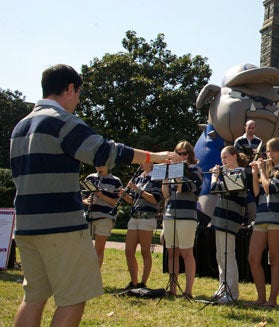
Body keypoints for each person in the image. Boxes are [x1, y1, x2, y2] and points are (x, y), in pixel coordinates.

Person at [9, 64, 174, 327]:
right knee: (73, 298)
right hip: (60, 226)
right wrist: (153, 156)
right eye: (78, 94)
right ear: (70, 88)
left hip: (27, 226)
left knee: (33, 297)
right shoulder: (62, 121)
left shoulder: (20, 126)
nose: (77, 101)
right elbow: (105, 152)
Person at [248, 138, 279, 307]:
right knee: (253, 257)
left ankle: (272, 299)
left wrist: (262, 171)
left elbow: (269, 188)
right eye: (267, 151)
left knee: (274, 258)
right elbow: (258, 192)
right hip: (262, 216)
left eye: (272, 151)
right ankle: (261, 297)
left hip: (278, 217)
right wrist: (254, 174)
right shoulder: (268, 169)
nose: (269, 154)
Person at [162, 140, 202, 299]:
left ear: (190, 154)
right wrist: (165, 176)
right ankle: (172, 288)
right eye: (178, 153)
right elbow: (166, 195)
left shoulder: (196, 170)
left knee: (187, 252)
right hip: (170, 214)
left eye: (185, 153)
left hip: (187, 216)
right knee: (172, 252)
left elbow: (183, 188)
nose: (182, 156)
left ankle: (188, 290)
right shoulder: (172, 170)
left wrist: (177, 173)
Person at [210, 146, 249, 304]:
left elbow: (215, 188)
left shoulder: (239, 173)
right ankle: (223, 286)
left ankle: (232, 292)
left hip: (230, 218)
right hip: (220, 217)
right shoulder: (227, 173)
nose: (222, 161)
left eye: (225, 157)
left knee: (228, 255)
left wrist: (215, 177)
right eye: (221, 158)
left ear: (234, 157)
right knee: (221, 255)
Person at [122, 162, 163, 290]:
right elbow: (133, 201)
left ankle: (143, 283)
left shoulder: (156, 177)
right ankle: (133, 282)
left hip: (147, 217)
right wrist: (124, 195)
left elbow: (155, 199)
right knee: (129, 251)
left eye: (143, 161)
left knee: (145, 251)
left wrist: (137, 189)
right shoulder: (139, 177)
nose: (140, 164)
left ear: (151, 162)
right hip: (134, 217)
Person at [82, 166, 123, 268]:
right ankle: (86, 275)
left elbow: (117, 203)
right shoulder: (90, 178)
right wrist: (85, 201)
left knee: (98, 249)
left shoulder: (116, 181)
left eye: (101, 164)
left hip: (105, 217)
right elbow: (81, 196)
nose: (98, 167)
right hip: (89, 216)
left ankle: (95, 276)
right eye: (96, 164)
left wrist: (101, 195)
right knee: (84, 248)